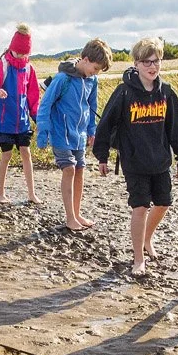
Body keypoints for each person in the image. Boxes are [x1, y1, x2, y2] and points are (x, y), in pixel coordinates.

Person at [95, 37, 178, 277]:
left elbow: (176, 127)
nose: (152, 66)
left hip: (160, 160)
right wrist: (102, 156)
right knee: (140, 207)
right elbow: (106, 124)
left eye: (156, 61)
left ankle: (147, 239)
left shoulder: (166, 92)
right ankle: (138, 258)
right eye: (146, 61)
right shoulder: (125, 92)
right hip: (134, 160)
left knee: (163, 203)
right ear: (136, 63)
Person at [35, 38, 109, 231]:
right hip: (61, 134)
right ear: (85, 59)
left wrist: (92, 130)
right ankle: (70, 218)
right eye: (95, 67)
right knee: (69, 169)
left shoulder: (92, 80)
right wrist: (43, 132)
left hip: (80, 135)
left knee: (80, 170)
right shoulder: (63, 79)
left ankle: (77, 213)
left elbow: (92, 107)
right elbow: (45, 105)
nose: (96, 72)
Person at [0, 23, 40, 204]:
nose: (21, 56)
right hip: (4, 122)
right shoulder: (3, 65)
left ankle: (31, 193)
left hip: (22, 122)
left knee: (26, 153)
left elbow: (33, 97)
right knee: (6, 156)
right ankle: (0, 193)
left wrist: (37, 118)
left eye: (25, 54)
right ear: (12, 49)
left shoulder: (29, 69)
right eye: (18, 53)